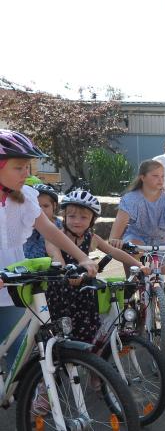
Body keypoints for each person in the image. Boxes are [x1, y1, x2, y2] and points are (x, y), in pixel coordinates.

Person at [0, 130, 98, 374]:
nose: (26, 173)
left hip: (12, 288)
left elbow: (50, 230)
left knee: (19, 355)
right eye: (18, 167)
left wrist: (82, 257)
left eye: (27, 167)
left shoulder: (24, 198)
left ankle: (23, 404)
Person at [45, 190, 147, 343]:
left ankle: (89, 365)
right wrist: (68, 274)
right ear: (64, 217)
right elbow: (59, 263)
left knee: (89, 335)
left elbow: (114, 252)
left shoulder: (91, 238)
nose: (77, 221)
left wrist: (139, 265)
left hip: (85, 294)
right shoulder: (55, 238)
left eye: (84, 217)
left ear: (92, 220)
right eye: (72, 216)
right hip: (61, 295)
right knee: (62, 339)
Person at [109, 160, 165, 331]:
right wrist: (114, 239)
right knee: (132, 260)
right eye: (155, 175)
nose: (160, 179)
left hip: (161, 240)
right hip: (138, 237)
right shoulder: (131, 198)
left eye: (162, 176)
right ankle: (132, 294)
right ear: (142, 177)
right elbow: (119, 224)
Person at [23, 183, 62, 258]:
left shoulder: (59, 225)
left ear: (54, 206)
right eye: (36, 206)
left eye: (46, 206)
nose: (41, 210)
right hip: (25, 265)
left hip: (51, 266)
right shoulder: (25, 223)